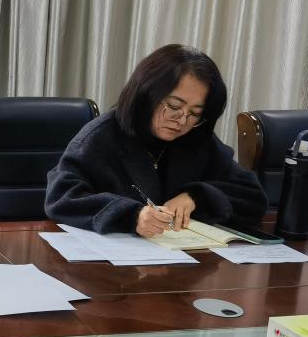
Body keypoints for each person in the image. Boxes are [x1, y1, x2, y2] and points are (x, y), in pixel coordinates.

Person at [44, 43, 267, 236]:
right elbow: (60, 198)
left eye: (195, 113)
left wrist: (196, 197)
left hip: (184, 260)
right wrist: (131, 216)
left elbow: (252, 197)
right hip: (113, 263)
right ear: (146, 94)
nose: (182, 121)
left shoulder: (197, 138)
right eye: (174, 106)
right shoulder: (100, 136)